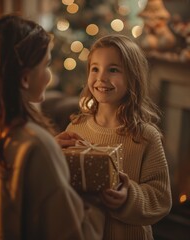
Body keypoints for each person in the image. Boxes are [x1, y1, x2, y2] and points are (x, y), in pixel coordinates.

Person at [0, 14, 104, 240]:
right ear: (25, 79)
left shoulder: (14, 137)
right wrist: (96, 196)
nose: (50, 75)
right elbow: (74, 234)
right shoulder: (36, 144)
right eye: (46, 64)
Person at [56, 34, 172, 240]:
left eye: (113, 69)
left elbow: (161, 198)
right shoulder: (76, 127)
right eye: (95, 69)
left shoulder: (146, 136)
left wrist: (127, 197)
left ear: (133, 77)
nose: (101, 78)